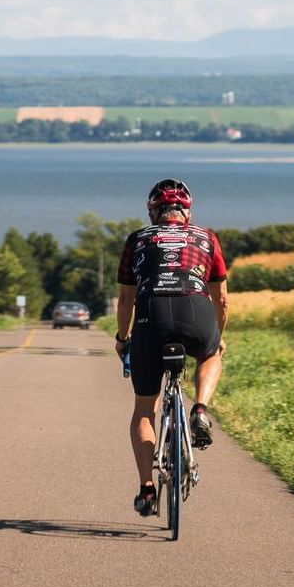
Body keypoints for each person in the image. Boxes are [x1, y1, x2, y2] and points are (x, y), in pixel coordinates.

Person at [113, 178, 228, 517]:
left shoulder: (138, 239)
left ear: (152, 212)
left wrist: (123, 339)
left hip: (151, 318)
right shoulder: (206, 238)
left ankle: (147, 489)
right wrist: (216, 335)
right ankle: (201, 409)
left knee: (143, 411)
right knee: (210, 354)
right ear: (187, 212)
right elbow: (220, 296)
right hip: (195, 311)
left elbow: (125, 298)